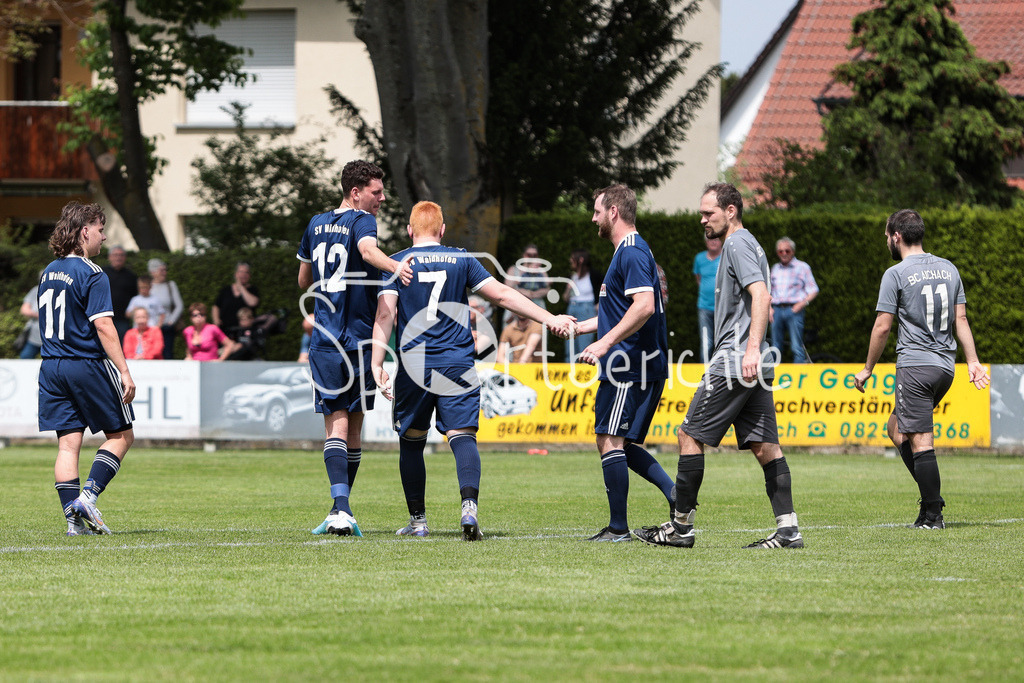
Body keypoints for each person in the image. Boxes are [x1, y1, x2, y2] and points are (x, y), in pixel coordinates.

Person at [371, 201, 575, 541]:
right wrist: (549, 317)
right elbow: (503, 295)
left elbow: (384, 315)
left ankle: (418, 522)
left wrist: (378, 363)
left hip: (414, 363)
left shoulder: (396, 262)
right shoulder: (462, 258)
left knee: (411, 441)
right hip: (457, 362)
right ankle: (469, 508)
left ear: (409, 230)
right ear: (442, 230)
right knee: (463, 437)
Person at [633, 182, 804, 550]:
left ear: (731, 211)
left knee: (689, 435)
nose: (702, 219)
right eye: (701, 213)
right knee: (765, 445)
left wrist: (751, 349)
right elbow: (762, 299)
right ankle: (788, 529)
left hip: (735, 362)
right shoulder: (750, 242)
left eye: (708, 212)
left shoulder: (738, 243)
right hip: (753, 365)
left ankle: (680, 529)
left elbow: (761, 295)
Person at [297, 159, 413, 538]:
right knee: (349, 424)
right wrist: (395, 267)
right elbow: (366, 250)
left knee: (343, 423)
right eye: (376, 192)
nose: (381, 198)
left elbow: (303, 279)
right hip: (358, 338)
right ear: (356, 193)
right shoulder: (361, 220)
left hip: (327, 339)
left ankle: (338, 508)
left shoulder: (315, 223)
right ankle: (343, 510)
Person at [853, 209, 989, 529]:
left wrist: (868, 368)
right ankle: (930, 501)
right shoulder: (949, 268)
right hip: (945, 368)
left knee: (920, 440)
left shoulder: (896, 273)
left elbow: (883, 326)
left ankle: (933, 514)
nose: (887, 240)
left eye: (887, 236)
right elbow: (962, 320)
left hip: (915, 365)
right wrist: (972, 362)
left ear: (897, 236)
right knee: (895, 426)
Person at [574, 184, 676, 542]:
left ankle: (618, 528)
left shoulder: (631, 251)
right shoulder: (630, 252)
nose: (594, 217)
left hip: (628, 365)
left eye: (597, 210)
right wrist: (581, 326)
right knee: (622, 443)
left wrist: (603, 342)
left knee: (609, 440)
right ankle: (677, 497)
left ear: (613, 212)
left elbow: (644, 306)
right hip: (636, 363)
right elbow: (620, 309)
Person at [37, 201, 136, 536]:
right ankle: (89, 497)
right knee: (122, 435)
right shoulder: (93, 274)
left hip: (51, 366)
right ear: (84, 232)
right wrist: (124, 370)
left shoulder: (48, 271)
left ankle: (73, 524)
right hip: (84, 364)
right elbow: (104, 326)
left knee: (68, 444)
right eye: (99, 229)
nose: (104, 237)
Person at [769, 237, 818, 363]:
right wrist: (769, 308)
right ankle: (774, 377)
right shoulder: (775, 268)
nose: (784, 254)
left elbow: (813, 290)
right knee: (775, 346)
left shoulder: (802, 267)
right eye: (780, 251)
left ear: (793, 251)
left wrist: (801, 304)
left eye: (787, 251)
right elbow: (768, 291)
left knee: (796, 346)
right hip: (777, 310)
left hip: (794, 310)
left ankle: (798, 378)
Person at [562, 248, 600, 362]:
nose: (570, 261)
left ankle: (583, 372)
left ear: (581, 260)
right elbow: (565, 298)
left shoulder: (594, 275)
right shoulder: (572, 276)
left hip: (586, 309)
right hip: (572, 307)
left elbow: (604, 291)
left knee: (584, 342)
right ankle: (570, 371)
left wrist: (598, 305)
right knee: (569, 342)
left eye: (573, 259)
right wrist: (569, 288)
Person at [502, 243, 551, 326]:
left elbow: (547, 288)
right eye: (529, 255)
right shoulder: (514, 269)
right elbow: (506, 288)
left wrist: (532, 294)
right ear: (524, 255)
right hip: (516, 306)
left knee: (538, 332)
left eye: (534, 255)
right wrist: (525, 272)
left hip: (537, 306)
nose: (532, 257)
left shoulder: (541, 271)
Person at [693, 235, 722, 364]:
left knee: (723, 341)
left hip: (723, 307)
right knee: (706, 342)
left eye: (716, 239)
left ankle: (722, 371)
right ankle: (705, 372)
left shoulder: (726, 257)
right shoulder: (699, 258)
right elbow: (698, 279)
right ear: (706, 242)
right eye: (710, 239)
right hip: (704, 306)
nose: (713, 242)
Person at [147, 258, 183, 359]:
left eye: (165, 270)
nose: (164, 272)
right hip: (151, 328)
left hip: (167, 327)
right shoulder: (148, 287)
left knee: (167, 354)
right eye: (161, 270)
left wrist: (171, 321)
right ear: (153, 272)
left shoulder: (170, 285)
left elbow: (179, 305)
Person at [102, 245, 138, 342]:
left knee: (121, 345)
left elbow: (135, 297)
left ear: (125, 258)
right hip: (104, 317)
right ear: (109, 257)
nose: (118, 257)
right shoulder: (102, 274)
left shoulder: (131, 276)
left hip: (122, 319)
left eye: (121, 255)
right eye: (115, 255)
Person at [18, 280, 43, 359]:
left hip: (54, 338)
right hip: (34, 336)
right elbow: (24, 310)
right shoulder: (36, 290)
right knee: (25, 358)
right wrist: (39, 315)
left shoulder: (59, 289)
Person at [468, 295, 496, 360]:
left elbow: (476, 348)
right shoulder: (465, 324)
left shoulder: (488, 325)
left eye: (472, 307)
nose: (469, 310)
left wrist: (465, 336)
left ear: (481, 309)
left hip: (484, 364)